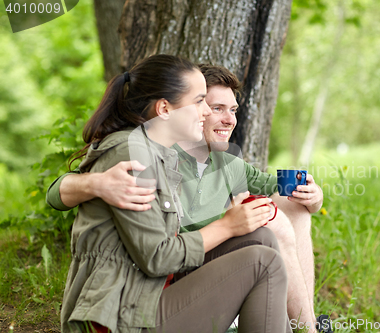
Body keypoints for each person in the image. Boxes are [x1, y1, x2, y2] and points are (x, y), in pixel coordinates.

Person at [48, 64, 325, 332]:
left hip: (151, 287)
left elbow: (275, 186)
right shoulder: (136, 154)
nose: (208, 113)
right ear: (165, 108)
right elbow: (157, 256)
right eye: (203, 103)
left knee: (264, 239)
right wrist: (228, 225)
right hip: (121, 313)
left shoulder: (169, 154)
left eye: (229, 109)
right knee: (262, 260)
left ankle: (303, 326)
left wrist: (313, 195)